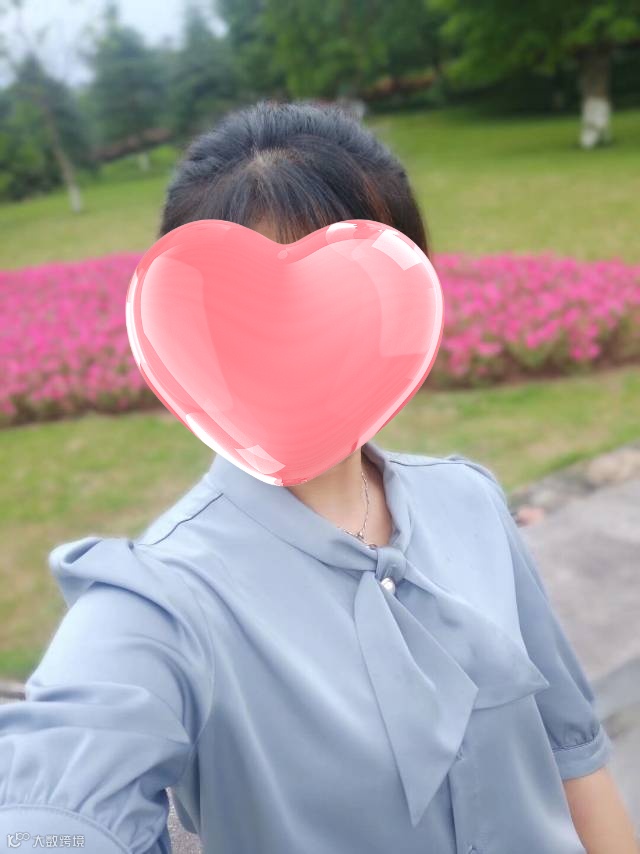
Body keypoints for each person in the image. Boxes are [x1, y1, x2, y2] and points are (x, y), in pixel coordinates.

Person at [0, 100, 636, 854]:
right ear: (187, 322)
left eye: (345, 297)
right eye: (246, 312)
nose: (300, 342)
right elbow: (60, 792)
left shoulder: (468, 499)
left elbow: (572, 748)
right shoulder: (163, 601)